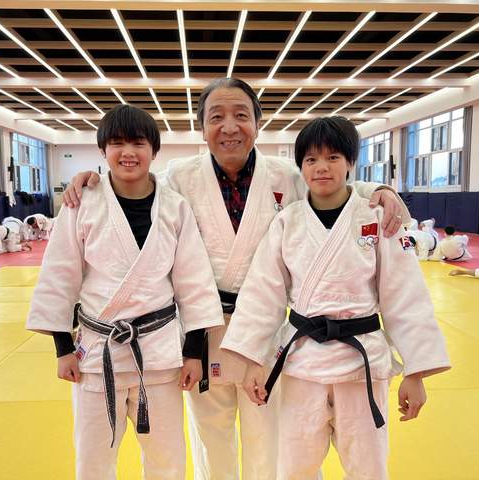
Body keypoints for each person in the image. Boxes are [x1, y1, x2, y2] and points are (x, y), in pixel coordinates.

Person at [61, 77, 409, 480]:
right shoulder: (179, 177)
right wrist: (93, 182)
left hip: (265, 332)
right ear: (202, 127)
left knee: (269, 435)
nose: (229, 127)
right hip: (203, 331)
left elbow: (331, 184)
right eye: (216, 117)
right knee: (210, 435)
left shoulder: (284, 175)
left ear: (258, 124)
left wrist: (379, 189)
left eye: (241, 115)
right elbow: (133, 186)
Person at [221, 116, 451, 480]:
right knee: (293, 468)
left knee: (368, 467)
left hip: (361, 363)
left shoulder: (377, 219)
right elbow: (263, 293)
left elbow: (405, 297)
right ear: (301, 168)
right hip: (302, 363)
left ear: (350, 163)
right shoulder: (287, 222)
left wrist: (416, 371)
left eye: (332, 157)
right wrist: (253, 360)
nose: (321, 167)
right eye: (311, 159)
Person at [26, 104, 224, 480]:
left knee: (167, 460)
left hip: (159, 354)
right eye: (117, 143)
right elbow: (59, 276)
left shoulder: (175, 208)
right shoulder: (81, 203)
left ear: (154, 151)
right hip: (96, 354)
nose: (128, 152)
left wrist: (194, 352)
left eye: (138, 143)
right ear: (103, 150)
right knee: (93, 460)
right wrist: (62, 348)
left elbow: (194, 283)